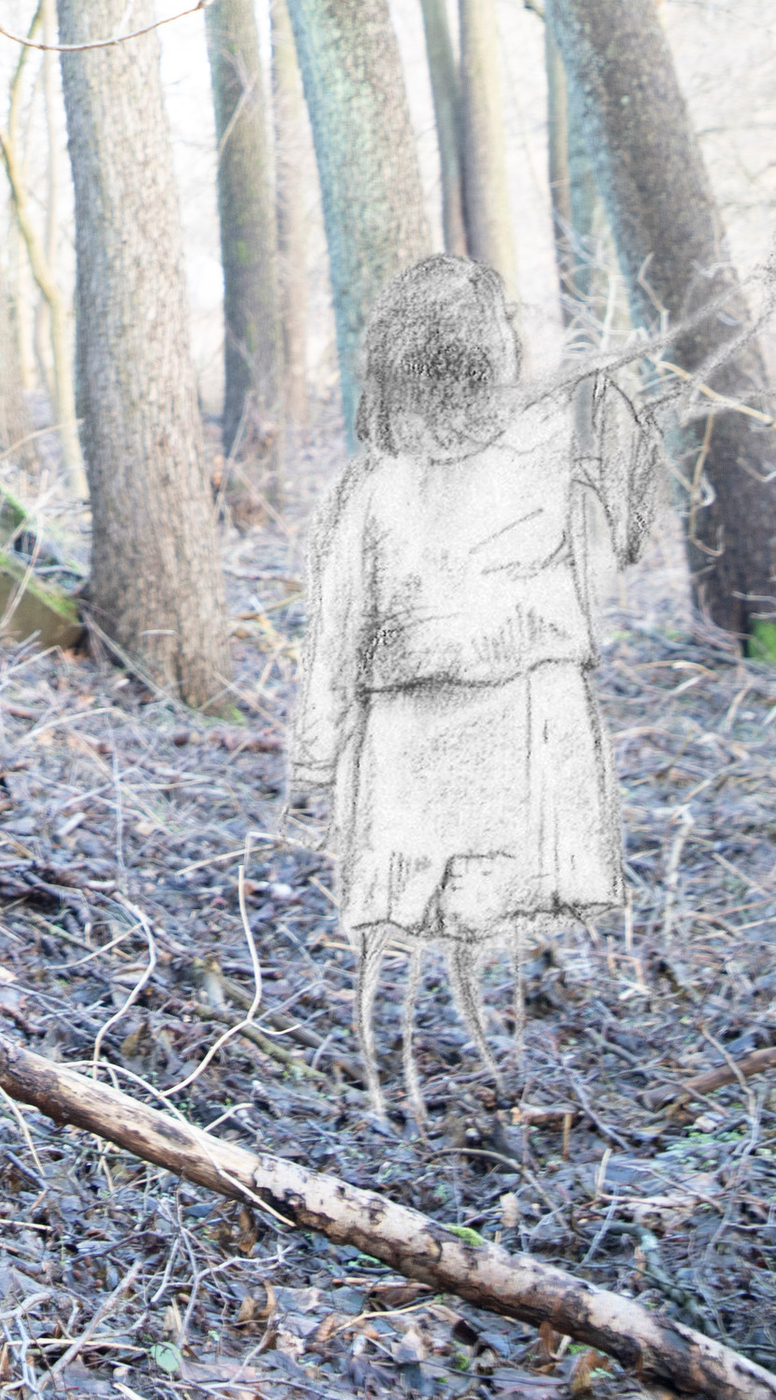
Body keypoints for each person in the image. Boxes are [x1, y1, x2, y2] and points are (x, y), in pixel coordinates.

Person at [288, 254, 658, 1130]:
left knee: (445, 924)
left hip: (491, 717)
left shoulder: (518, 451)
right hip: (459, 719)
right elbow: (338, 627)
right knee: (454, 921)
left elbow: (625, 529)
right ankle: (442, 1092)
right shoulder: (412, 477)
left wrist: (316, 749)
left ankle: (452, 1090)